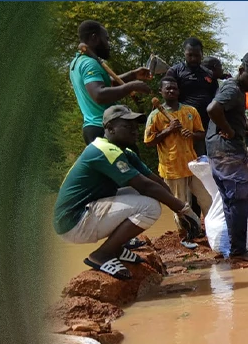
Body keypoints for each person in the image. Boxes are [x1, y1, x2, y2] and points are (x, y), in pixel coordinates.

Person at [54, 105, 202, 280]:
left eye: (135, 126)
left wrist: (177, 206)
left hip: (87, 211)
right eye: (127, 126)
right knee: (151, 206)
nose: (134, 131)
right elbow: (144, 186)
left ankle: (117, 248)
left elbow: (155, 182)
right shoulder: (103, 150)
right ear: (109, 129)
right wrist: (183, 209)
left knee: (150, 196)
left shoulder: (126, 151)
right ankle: (102, 255)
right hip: (73, 222)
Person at [206, 52, 248, 263]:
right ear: (240, 70)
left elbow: (227, 114)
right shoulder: (233, 89)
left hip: (221, 151)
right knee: (239, 200)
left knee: (231, 201)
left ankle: (234, 250)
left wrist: (245, 126)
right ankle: (238, 252)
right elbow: (213, 109)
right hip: (227, 152)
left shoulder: (237, 90)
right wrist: (230, 131)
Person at [144, 77, 210, 249]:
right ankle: (186, 235)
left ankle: (212, 229)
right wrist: (168, 130)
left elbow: (201, 133)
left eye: (174, 88)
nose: (171, 91)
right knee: (180, 204)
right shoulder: (155, 116)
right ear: (161, 92)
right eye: (168, 89)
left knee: (206, 199)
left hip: (193, 164)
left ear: (179, 91)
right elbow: (149, 141)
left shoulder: (190, 111)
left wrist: (192, 135)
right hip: (172, 167)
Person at [70, 21, 153, 146]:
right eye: (106, 39)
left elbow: (109, 83)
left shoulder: (77, 62)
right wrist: (131, 86)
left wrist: (133, 75)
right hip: (106, 129)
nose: (108, 44)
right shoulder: (89, 64)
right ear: (94, 38)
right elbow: (99, 94)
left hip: (94, 128)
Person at [165, 37, 222, 146]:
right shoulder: (175, 71)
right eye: (190, 55)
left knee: (202, 160)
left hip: (204, 126)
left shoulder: (209, 74)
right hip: (182, 124)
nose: (193, 59)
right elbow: (167, 95)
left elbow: (216, 98)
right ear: (184, 53)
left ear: (202, 54)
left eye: (197, 55)